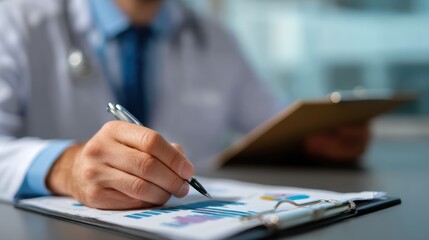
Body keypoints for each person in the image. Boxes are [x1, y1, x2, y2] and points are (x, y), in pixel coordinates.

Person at [0, 0, 370, 209]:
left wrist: (317, 139)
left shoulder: (215, 38)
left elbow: (272, 120)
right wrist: (66, 168)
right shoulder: (16, 21)